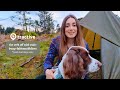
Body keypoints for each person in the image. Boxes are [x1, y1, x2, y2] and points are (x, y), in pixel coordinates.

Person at [36, 14, 89, 79]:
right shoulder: (56, 41)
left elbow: (86, 66)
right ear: (63, 29)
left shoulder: (84, 44)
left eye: (74, 25)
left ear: (77, 28)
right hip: (61, 74)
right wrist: (47, 70)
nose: (71, 28)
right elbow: (48, 59)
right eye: (67, 26)